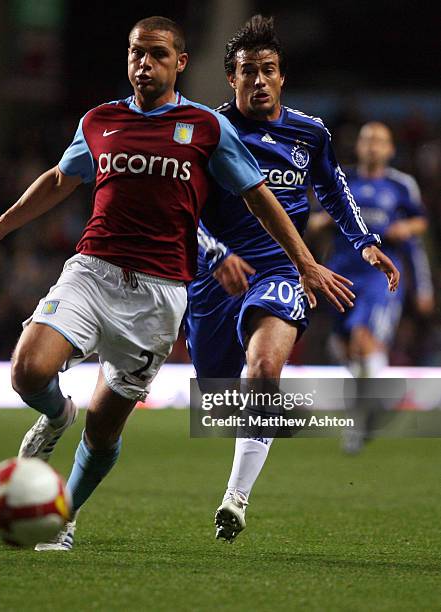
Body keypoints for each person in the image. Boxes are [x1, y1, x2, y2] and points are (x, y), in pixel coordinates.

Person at [0, 16, 354, 551]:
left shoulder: (207, 128)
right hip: (91, 272)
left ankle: (62, 517)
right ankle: (55, 413)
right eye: (137, 53)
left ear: (180, 63)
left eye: (158, 54)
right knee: (27, 371)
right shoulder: (99, 120)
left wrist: (303, 261)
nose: (144, 63)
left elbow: (258, 196)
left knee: (105, 428)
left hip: (159, 295)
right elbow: (58, 180)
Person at [184, 16, 399, 542]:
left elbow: (334, 190)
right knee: (218, 387)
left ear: (282, 78)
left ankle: (235, 498)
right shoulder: (209, 132)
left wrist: (365, 241)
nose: (259, 80)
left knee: (261, 370)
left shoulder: (310, 133)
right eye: (248, 72)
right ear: (231, 80)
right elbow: (182, 211)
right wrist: (214, 254)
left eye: (269, 71)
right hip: (217, 277)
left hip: (283, 270)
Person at [316, 122, 429, 453]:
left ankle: (358, 422)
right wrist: (321, 222)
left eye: (380, 141)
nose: (373, 146)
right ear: (359, 146)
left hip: (379, 278)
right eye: (367, 140)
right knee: (344, 347)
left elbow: (420, 221)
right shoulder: (342, 180)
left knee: (364, 342)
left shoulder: (401, 185)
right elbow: (317, 217)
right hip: (341, 273)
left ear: (390, 149)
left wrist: (405, 227)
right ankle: (373, 402)